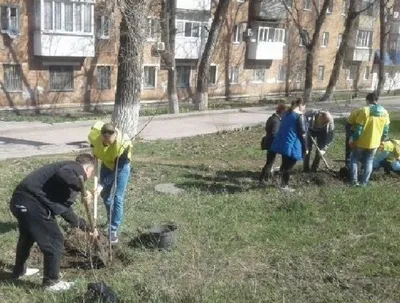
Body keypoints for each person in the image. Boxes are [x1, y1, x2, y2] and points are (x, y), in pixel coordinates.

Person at [9, 153, 96, 292]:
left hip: (22, 200)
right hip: (31, 203)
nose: (88, 178)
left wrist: (84, 226)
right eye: (91, 173)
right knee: (55, 239)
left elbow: (64, 210)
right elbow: (63, 174)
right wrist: (81, 188)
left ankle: (19, 271)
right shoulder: (76, 168)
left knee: (27, 237)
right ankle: (51, 282)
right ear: (89, 169)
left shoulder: (61, 182)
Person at [88, 122, 133, 244]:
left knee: (118, 197)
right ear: (101, 136)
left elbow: (118, 170)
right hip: (107, 164)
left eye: (111, 141)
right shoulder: (95, 135)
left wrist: (102, 185)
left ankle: (113, 229)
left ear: (115, 136)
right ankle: (110, 218)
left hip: (121, 167)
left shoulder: (123, 144)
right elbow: (93, 146)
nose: (108, 143)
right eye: (105, 141)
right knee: (105, 196)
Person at [349, 92, 390, 186]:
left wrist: (353, 139)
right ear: (376, 100)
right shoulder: (385, 112)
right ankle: (364, 182)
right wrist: (381, 140)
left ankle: (354, 181)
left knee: (354, 159)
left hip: (361, 142)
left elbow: (359, 129)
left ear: (367, 100)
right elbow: (386, 130)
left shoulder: (365, 110)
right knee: (369, 161)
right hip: (375, 143)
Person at [270, 98, 308, 192]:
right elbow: (303, 134)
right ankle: (284, 186)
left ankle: (280, 182)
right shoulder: (300, 116)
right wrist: (306, 147)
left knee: (284, 164)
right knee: (289, 166)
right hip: (293, 144)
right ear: (300, 105)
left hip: (283, 142)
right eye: (304, 106)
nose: (304, 108)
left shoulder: (287, 113)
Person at [259, 103, 286, 185]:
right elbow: (274, 133)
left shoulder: (271, 118)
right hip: (272, 144)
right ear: (282, 112)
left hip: (268, 142)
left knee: (269, 161)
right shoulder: (276, 120)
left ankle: (263, 177)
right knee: (270, 162)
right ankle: (264, 179)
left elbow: (267, 128)